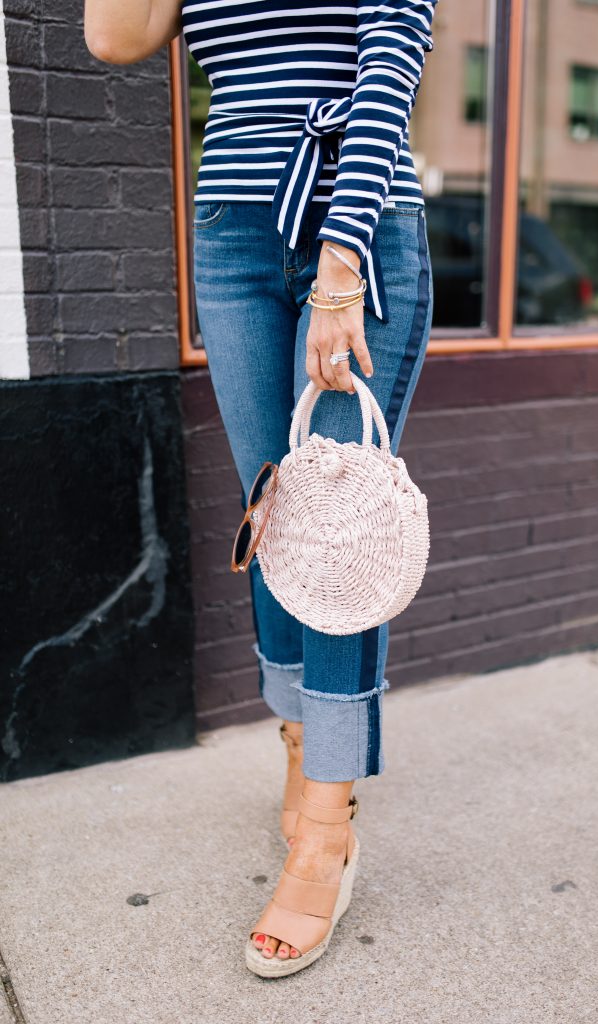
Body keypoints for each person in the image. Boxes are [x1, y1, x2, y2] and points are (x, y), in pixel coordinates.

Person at [85, 0, 438, 978]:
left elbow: (391, 54)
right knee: (276, 516)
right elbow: (113, 37)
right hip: (234, 228)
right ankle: (300, 742)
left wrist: (339, 265)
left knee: (336, 524)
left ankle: (326, 829)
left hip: (355, 225)